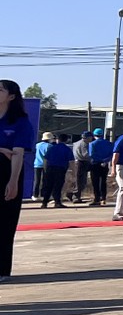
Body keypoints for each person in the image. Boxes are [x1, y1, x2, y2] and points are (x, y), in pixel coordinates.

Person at [0, 81, 35, 280]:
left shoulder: (20, 122)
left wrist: (12, 182)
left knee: (5, 223)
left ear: (11, 97)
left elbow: (18, 154)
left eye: (0, 90)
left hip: (7, 172)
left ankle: (3, 269)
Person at [39, 128, 73, 209]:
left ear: (58, 139)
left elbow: (45, 159)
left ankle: (44, 203)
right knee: (58, 186)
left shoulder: (52, 148)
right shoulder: (67, 149)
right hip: (60, 169)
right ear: (66, 140)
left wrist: (45, 169)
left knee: (48, 186)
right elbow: (71, 162)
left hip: (50, 168)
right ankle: (57, 202)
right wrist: (73, 173)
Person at [85, 127, 112, 205]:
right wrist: (105, 160)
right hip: (105, 164)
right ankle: (103, 198)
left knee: (95, 182)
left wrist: (100, 160)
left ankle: (97, 198)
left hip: (95, 164)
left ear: (94, 135)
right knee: (103, 182)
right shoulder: (109, 143)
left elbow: (92, 155)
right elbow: (111, 154)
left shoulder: (92, 144)